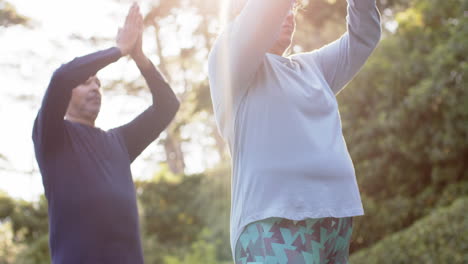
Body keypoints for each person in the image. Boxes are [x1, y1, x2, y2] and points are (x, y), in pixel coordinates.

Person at [208, 0, 381, 262]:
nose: (289, 14)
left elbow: (364, 36)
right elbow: (264, 14)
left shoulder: (313, 67)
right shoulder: (231, 61)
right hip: (272, 225)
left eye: (293, 8)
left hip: (334, 223)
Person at [32, 3, 179, 263]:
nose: (95, 88)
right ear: (66, 95)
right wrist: (118, 50)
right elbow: (62, 77)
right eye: (86, 82)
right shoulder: (52, 135)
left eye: (98, 83)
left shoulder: (119, 142)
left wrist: (140, 57)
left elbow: (167, 105)